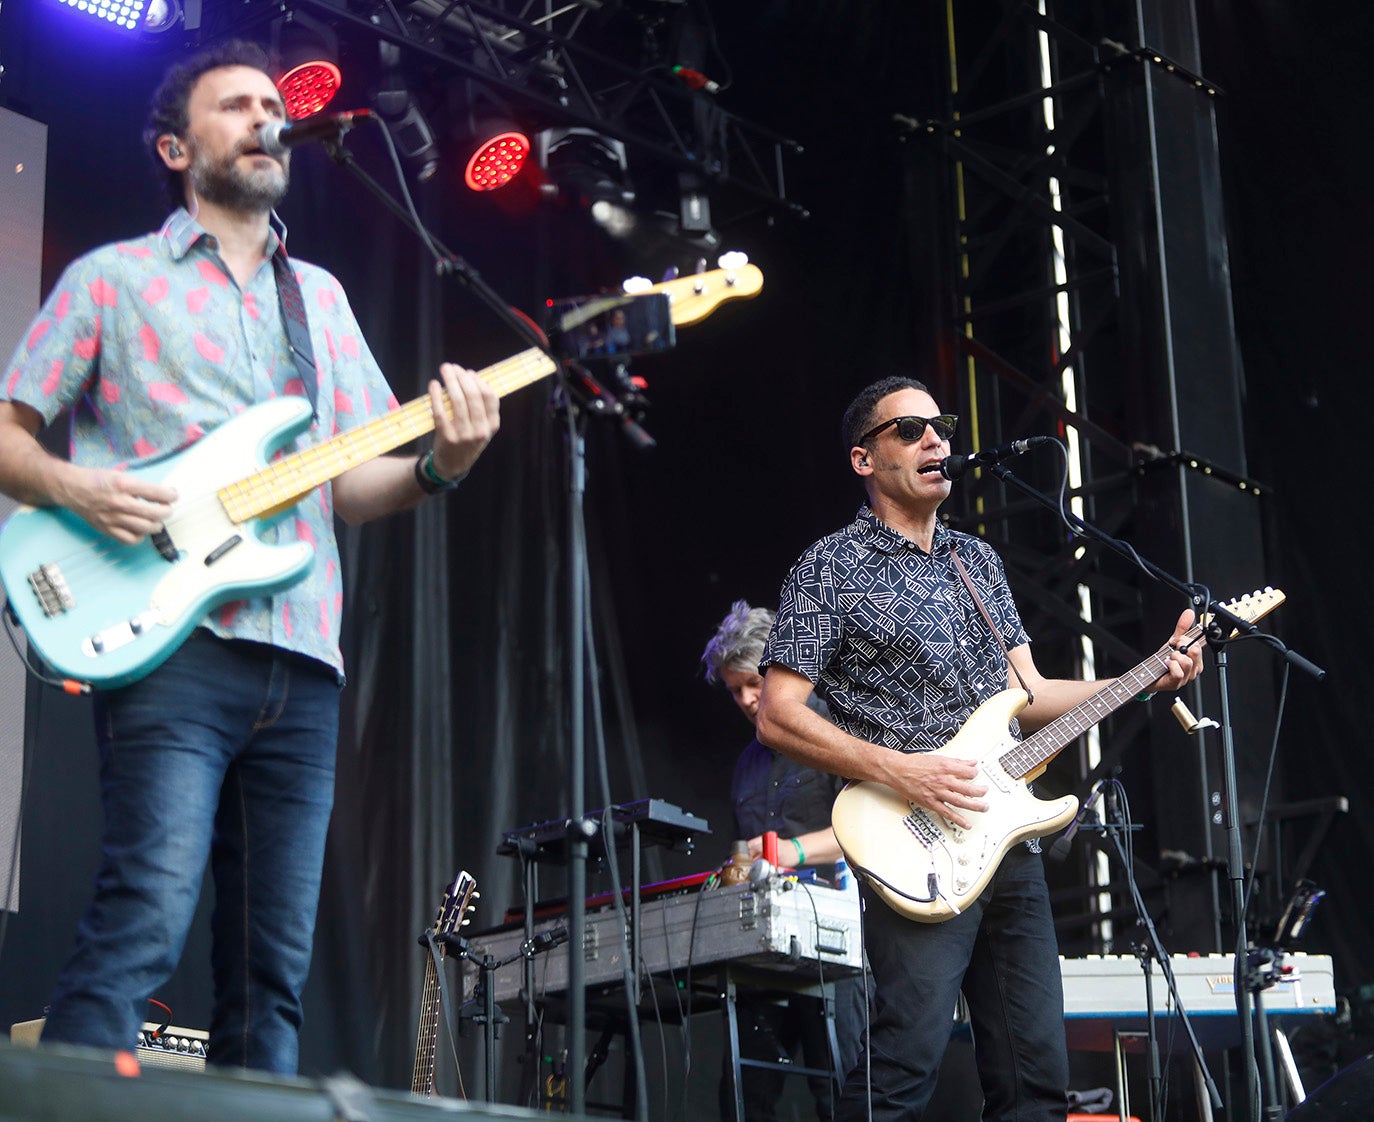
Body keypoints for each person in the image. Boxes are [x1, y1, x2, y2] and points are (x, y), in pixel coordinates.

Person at [0, 40, 499, 1074]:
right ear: (177, 147)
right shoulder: (113, 282)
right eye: (238, 105)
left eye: (276, 104)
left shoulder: (315, 299)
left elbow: (352, 487)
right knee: (143, 918)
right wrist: (78, 487)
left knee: (270, 972)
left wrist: (444, 465)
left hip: (304, 662)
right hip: (167, 647)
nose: (268, 116)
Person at [754, 376, 1204, 1121]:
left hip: (1005, 846)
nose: (938, 440)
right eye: (911, 430)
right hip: (913, 842)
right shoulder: (829, 566)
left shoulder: (978, 563)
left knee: (1036, 1077)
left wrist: (1146, 675)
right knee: (902, 1064)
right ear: (865, 460)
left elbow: (1028, 698)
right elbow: (777, 715)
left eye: (943, 426)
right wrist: (905, 771)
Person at [702, 600, 867, 1122]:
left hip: (839, 944)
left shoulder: (833, 729)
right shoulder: (747, 763)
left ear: (779, 666)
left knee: (843, 1097)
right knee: (745, 1100)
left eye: (754, 682)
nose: (748, 699)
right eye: (735, 691)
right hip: (764, 949)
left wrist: (790, 851)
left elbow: (867, 831)